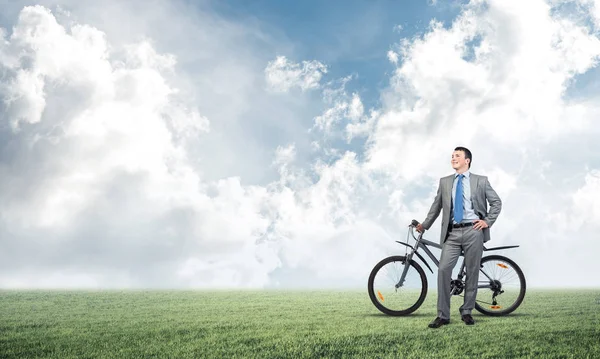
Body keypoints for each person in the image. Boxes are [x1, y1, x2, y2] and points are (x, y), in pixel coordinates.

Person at [416, 146, 502, 328]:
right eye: (452, 156)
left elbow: (496, 203)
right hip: (452, 233)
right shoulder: (445, 182)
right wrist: (425, 225)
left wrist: (487, 221)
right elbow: (436, 206)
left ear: (467, 160)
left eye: (457, 156)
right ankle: (443, 315)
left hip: (474, 231)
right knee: (443, 270)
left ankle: (467, 311)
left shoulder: (481, 181)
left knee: (472, 272)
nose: (453, 158)